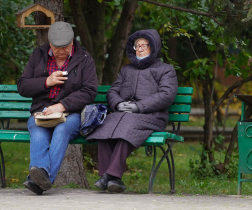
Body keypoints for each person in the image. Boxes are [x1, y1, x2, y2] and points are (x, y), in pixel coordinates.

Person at [86, 29, 178, 193]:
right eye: (137, 45)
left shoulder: (166, 70)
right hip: (124, 115)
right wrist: (118, 103)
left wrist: (139, 106)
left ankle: (107, 177)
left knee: (127, 128)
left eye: (145, 45)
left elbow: (166, 95)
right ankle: (113, 179)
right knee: (104, 128)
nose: (140, 48)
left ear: (154, 47)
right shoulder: (126, 70)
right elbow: (113, 91)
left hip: (152, 116)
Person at [17, 21, 98, 195]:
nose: (61, 52)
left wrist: (62, 105)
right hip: (41, 111)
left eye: (65, 48)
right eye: (57, 48)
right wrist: (47, 82)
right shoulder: (38, 56)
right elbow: (22, 86)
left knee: (62, 130)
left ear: (72, 43)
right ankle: (42, 177)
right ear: (50, 43)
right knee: (38, 131)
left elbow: (89, 91)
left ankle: (39, 179)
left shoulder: (84, 58)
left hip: (72, 113)